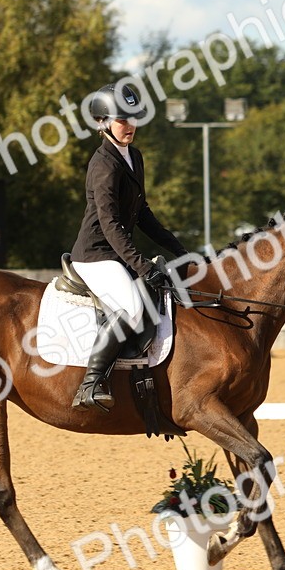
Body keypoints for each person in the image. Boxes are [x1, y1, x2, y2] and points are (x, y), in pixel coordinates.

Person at [69, 82, 188, 412]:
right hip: (96, 254)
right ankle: (91, 383)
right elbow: (110, 224)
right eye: (122, 120)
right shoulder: (103, 164)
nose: (130, 125)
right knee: (131, 307)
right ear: (102, 122)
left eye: (134, 118)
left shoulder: (134, 156)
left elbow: (142, 213)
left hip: (116, 252)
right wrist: (142, 266)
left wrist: (179, 249)